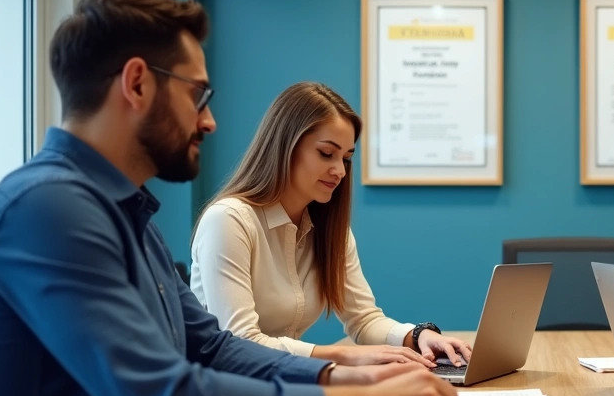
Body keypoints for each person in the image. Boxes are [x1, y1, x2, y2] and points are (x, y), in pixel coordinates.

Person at [0, 0, 459, 396]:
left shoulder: (121, 212)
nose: (210, 121)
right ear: (137, 83)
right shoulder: (47, 210)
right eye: (199, 95)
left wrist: (343, 375)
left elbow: (211, 348)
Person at [190, 82, 472, 368]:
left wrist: (418, 336)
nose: (339, 170)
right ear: (285, 146)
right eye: (327, 153)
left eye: (346, 158)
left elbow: (364, 320)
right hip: (227, 395)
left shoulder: (330, 229)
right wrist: (342, 355)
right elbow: (241, 342)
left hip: (289, 385)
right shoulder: (228, 220)